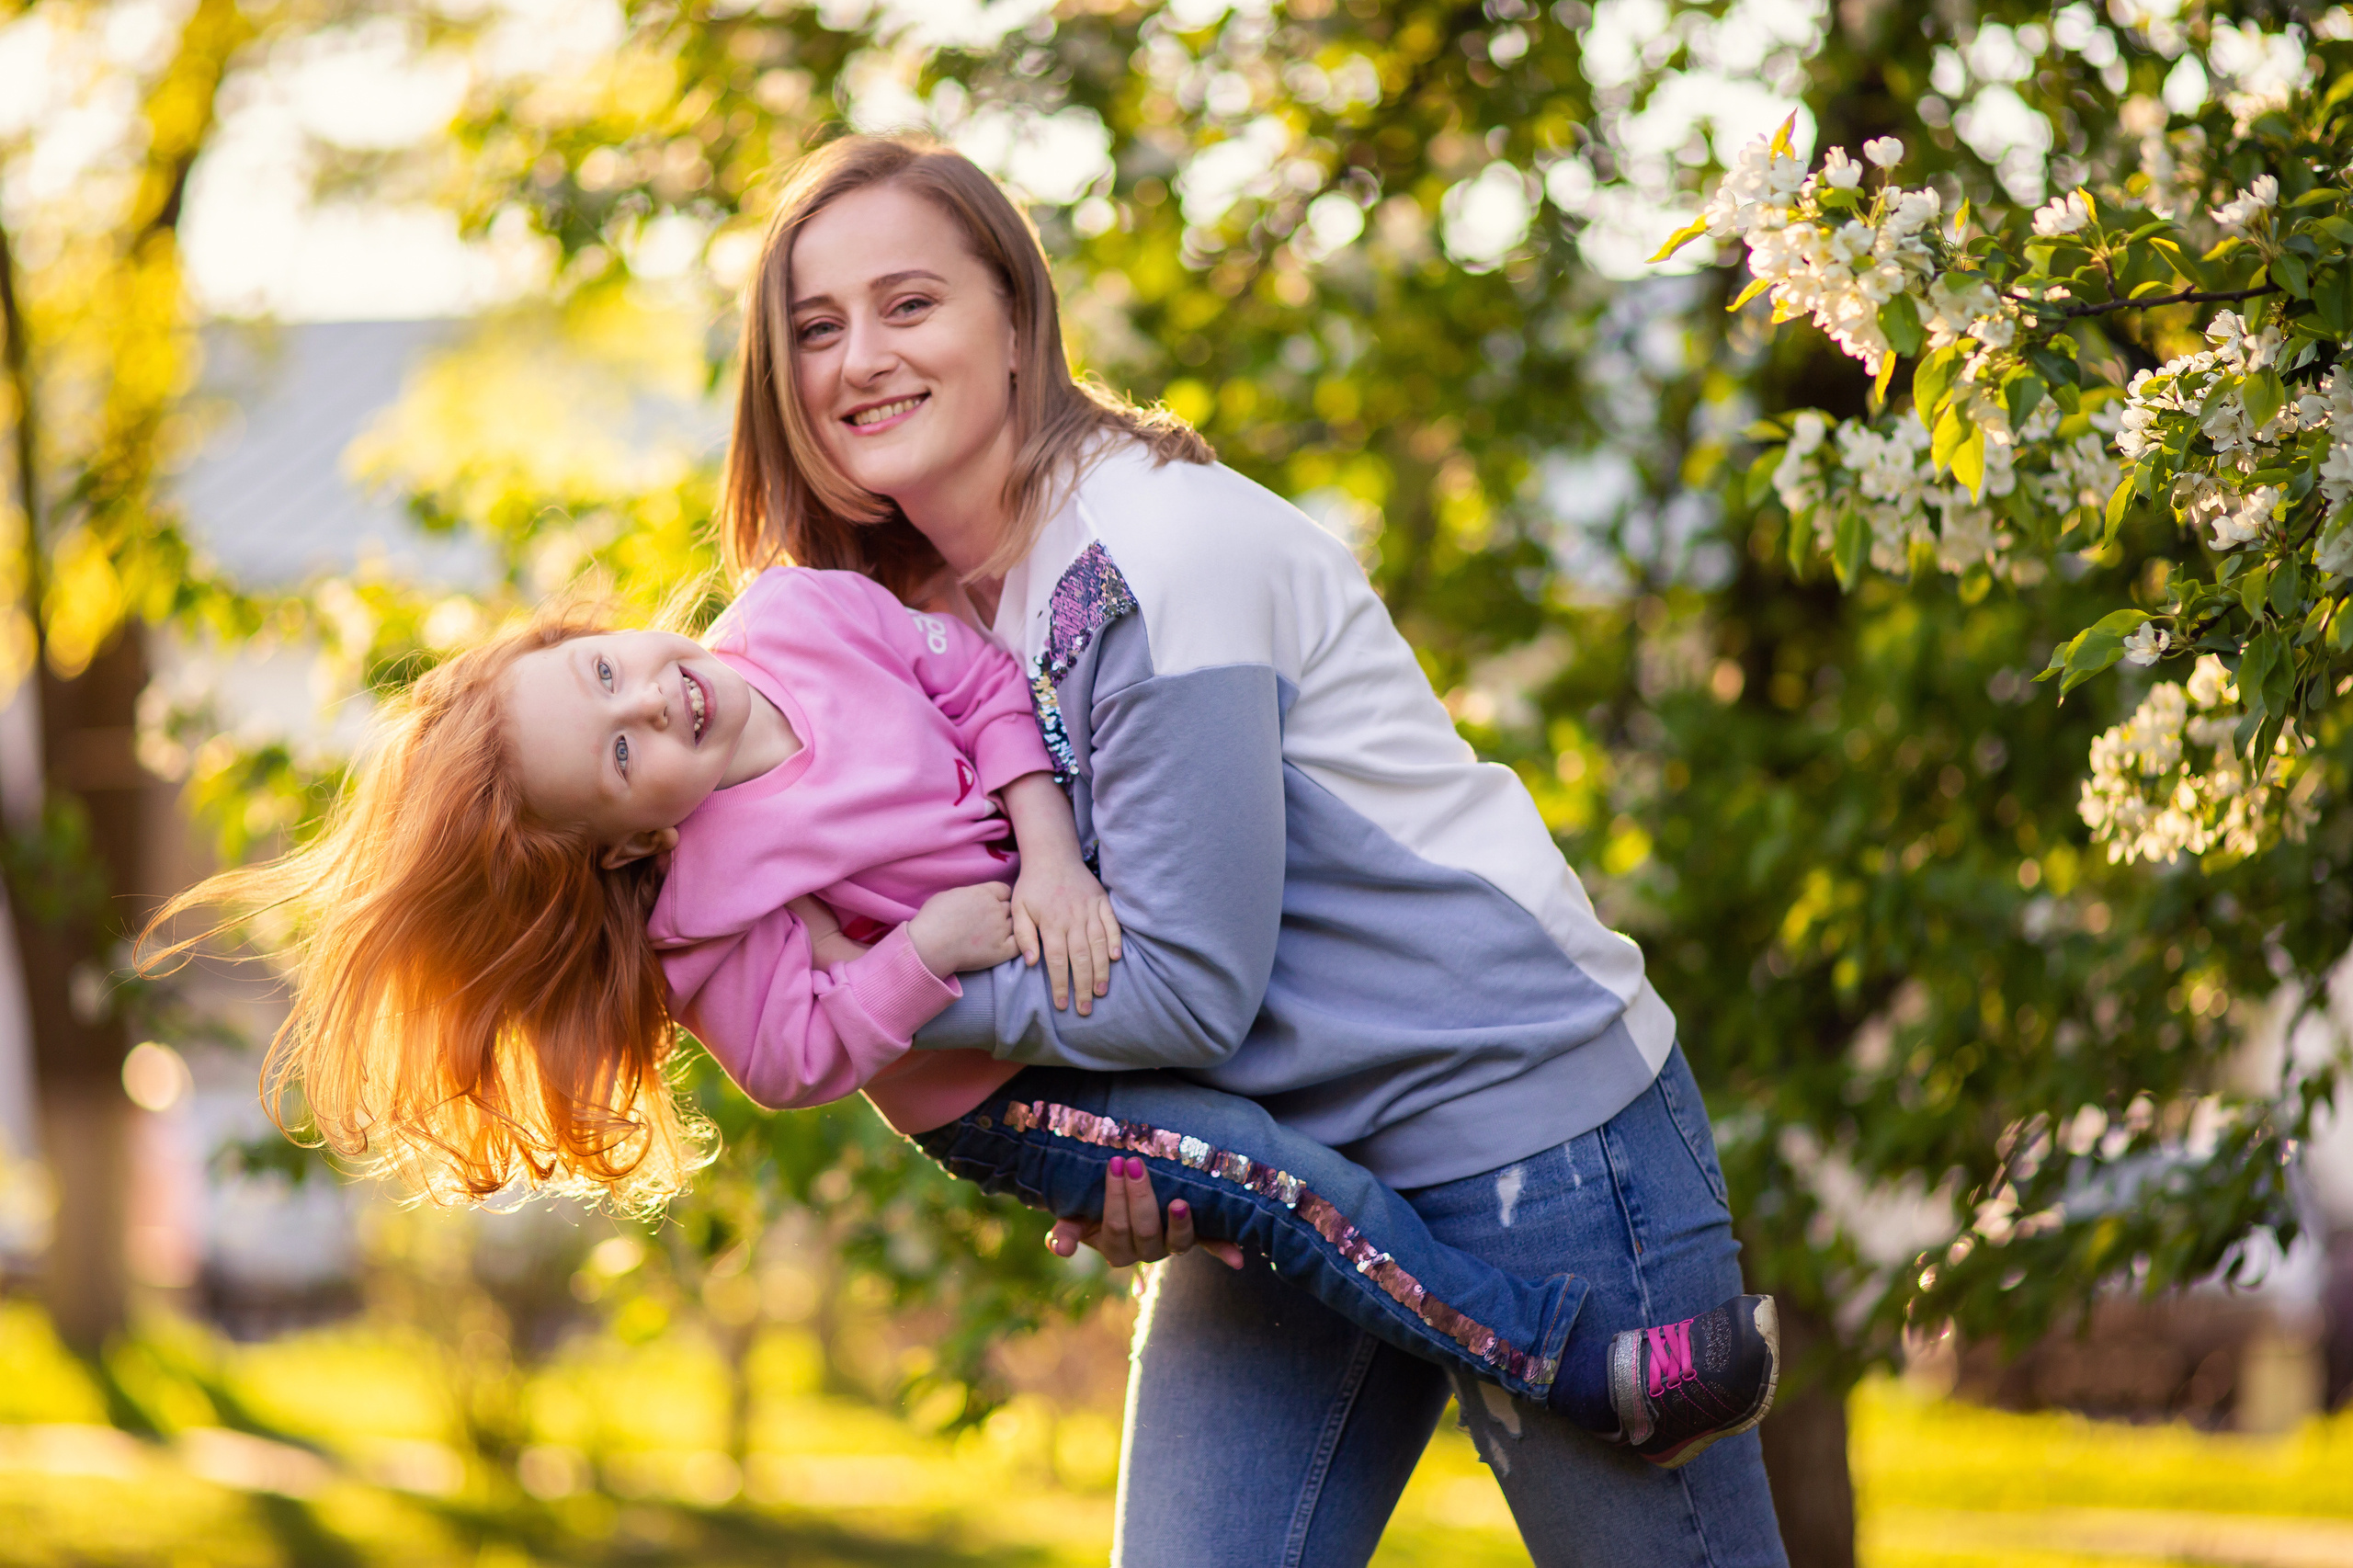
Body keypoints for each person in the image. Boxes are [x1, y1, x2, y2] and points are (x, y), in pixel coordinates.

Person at [720, 131, 1790, 1563]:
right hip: (1294, 1176)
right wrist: (1147, 1154)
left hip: (1527, 1127)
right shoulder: (906, 626)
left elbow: (1187, 991)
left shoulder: (1149, 557)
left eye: (909, 305)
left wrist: (878, 998)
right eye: (816, 327)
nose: (858, 359)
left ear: (1019, 322)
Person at [139, 563, 1775, 1468]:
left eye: (606, 675)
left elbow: (984, 687)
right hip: (1004, 1103)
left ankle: (1501, 1318)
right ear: (630, 838)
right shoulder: (710, 904)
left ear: (592, 635)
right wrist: (918, 952)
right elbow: (792, 1060)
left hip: (1072, 950)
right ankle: (1581, 1366)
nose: (651, 701)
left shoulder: (793, 614)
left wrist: (1051, 847)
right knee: (1287, 1188)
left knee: (1298, 1180)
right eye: (621, 755)